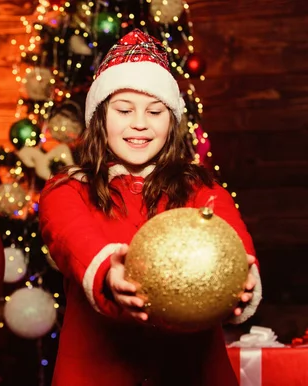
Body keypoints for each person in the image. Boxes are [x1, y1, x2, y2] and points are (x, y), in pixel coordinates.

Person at [38, 29, 262, 386]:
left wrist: (242, 279)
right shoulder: (66, 190)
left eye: (155, 111)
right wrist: (110, 277)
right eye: (124, 109)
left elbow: (232, 238)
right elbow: (72, 239)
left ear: (171, 121)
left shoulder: (201, 188)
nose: (139, 123)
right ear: (100, 117)